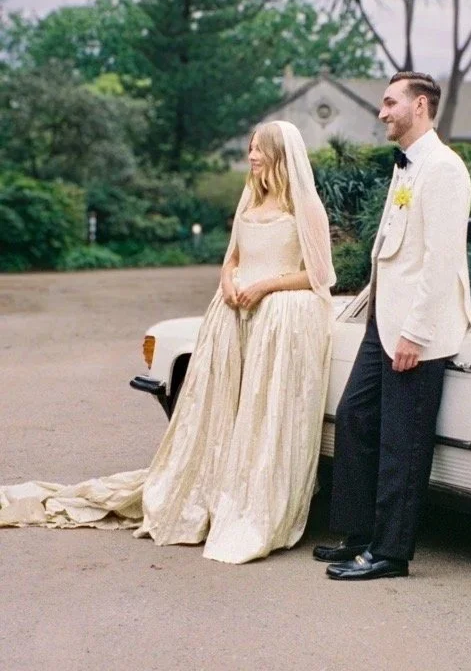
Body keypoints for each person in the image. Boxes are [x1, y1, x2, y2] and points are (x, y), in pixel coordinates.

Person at [0, 120, 335, 565]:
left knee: (262, 412)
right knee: (222, 411)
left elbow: (319, 276)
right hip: (233, 316)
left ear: (278, 153)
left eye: (258, 150)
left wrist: (265, 287)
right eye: (250, 149)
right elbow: (232, 256)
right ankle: (208, 489)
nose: (251, 156)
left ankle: (254, 500)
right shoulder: (252, 199)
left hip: (278, 320)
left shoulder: (305, 207)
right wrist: (229, 280)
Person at [313, 72, 471, 581]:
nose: (381, 112)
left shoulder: (445, 169)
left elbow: (440, 261)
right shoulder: (408, 167)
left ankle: (389, 553)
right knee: (355, 419)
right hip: (381, 321)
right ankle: (358, 534)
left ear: (420, 105)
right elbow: (391, 253)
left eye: (389, 103)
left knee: (403, 442)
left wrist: (416, 334)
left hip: (415, 331)